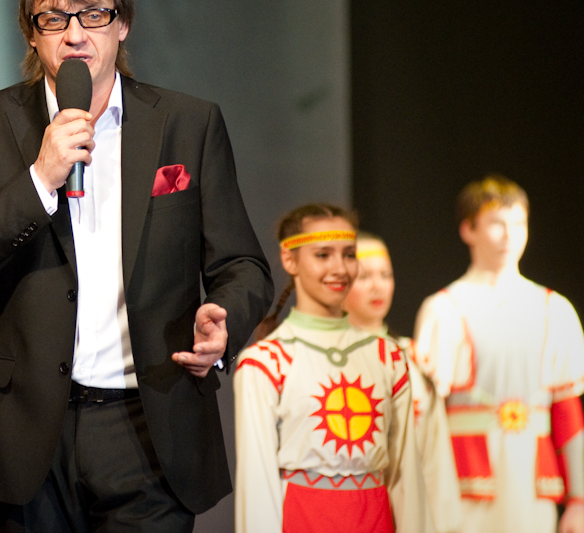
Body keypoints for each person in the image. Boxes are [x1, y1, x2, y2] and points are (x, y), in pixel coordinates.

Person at [0, 0, 273, 531]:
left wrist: (225, 321)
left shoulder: (187, 123)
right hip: (32, 426)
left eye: (93, 14)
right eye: (53, 19)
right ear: (31, 34)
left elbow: (243, 265)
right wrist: (40, 179)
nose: (75, 35)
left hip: (150, 421)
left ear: (122, 24)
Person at [234, 204, 431, 533]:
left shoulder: (388, 357)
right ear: (290, 259)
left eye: (349, 254)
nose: (340, 268)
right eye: (323, 255)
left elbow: (407, 477)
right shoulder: (266, 362)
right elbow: (256, 485)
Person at [413, 175, 584, 533]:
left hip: (534, 480)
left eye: (519, 224)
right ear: (468, 230)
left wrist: (579, 500)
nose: (509, 236)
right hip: (465, 478)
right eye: (496, 224)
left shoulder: (553, 309)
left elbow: (567, 409)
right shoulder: (444, 308)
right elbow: (427, 416)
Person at [344, 233, 461, 533]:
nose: (378, 286)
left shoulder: (414, 357)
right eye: (364, 276)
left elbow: (435, 455)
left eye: (385, 275)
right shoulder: (325, 359)